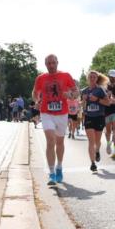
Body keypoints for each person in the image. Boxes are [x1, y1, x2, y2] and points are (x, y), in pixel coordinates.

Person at [32, 55, 79, 185]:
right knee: (50, 141)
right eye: (49, 63)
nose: (51, 65)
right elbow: (35, 92)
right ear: (45, 64)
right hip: (46, 112)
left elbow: (76, 92)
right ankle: (51, 173)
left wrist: (70, 95)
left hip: (62, 113)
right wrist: (37, 100)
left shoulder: (66, 76)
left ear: (57, 63)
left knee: (59, 142)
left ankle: (59, 166)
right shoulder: (41, 78)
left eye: (53, 63)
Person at [81, 70, 109, 172]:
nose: (92, 79)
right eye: (90, 77)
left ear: (97, 79)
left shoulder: (100, 90)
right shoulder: (84, 91)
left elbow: (108, 103)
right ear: (87, 79)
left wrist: (97, 99)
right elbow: (82, 106)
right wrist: (83, 100)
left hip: (99, 117)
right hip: (89, 117)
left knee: (97, 141)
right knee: (91, 141)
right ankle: (92, 163)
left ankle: (97, 151)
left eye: (94, 77)